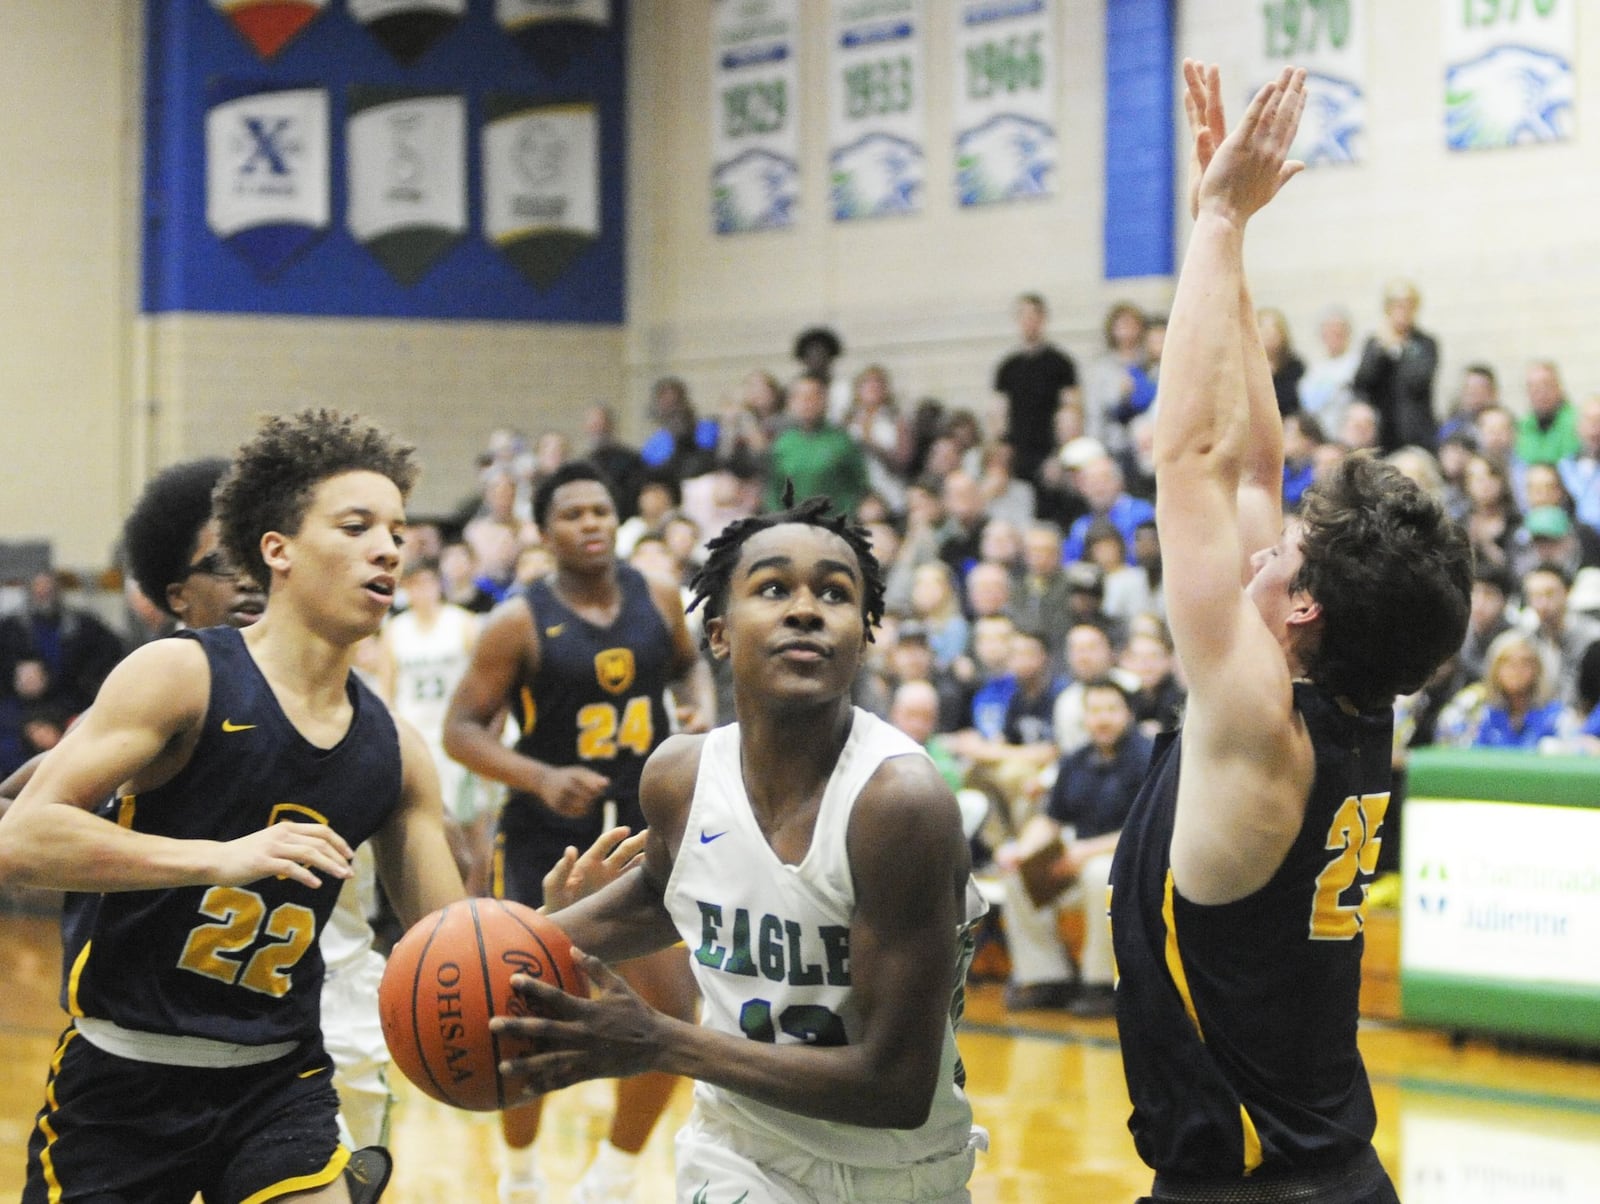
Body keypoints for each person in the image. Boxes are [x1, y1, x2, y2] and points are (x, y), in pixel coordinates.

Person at [1108, 64, 1471, 1203]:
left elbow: (1189, 461)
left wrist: (1217, 219)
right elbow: (1251, 461)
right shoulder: (1339, 691)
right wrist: (1228, 238)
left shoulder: (1256, 718)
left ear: (1301, 608)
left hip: (1254, 1182)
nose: (1264, 547)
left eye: (1287, 556)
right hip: (1322, 1168)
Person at [0, 410, 472, 1203]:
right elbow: (22, 840)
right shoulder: (181, 674)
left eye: (397, 530)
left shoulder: (397, 750)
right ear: (276, 550)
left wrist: (538, 932)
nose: (388, 548)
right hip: (122, 1080)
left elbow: (451, 954)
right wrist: (220, 858)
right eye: (355, 526)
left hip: (279, 1082)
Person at [495, 493, 989, 1203]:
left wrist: (660, 1040)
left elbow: (896, 1085)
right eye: (774, 587)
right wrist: (542, 937)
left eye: (835, 593)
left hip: (895, 1172)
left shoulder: (898, 803)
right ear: (719, 634)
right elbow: (667, 894)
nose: (806, 608)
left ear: (865, 633)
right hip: (736, 1152)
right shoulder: (679, 774)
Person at [443, 460, 709, 1204]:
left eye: (600, 510)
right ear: (544, 531)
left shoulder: (657, 595)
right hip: (544, 838)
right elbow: (461, 729)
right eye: (573, 514)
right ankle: (522, 1173)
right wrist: (537, 776)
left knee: (669, 1013)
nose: (590, 523)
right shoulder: (517, 620)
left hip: (638, 834)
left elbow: (692, 670)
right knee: (522, 1019)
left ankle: (616, 1175)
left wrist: (696, 710)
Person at [996, 677, 1153, 1016]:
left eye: (1111, 709)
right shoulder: (1074, 760)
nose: (1103, 718)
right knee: (1018, 875)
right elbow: (1051, 820)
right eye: (1095, 710)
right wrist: (1022, 850)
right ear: (1084, 717)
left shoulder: (1147, 757)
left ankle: (1101, 984)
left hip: (1134, 870)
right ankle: (1047, 978)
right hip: (1078, 863)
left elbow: (1144, 829)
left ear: (1127, 714)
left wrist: (1084, 852)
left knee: (1100, 873)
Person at [992, 293, 1080, 484]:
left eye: (1033, 316)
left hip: (1051, 452)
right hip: (1018, 453)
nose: (1028, 322)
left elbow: (1071, 411)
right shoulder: (1007, 368)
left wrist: (1060, 455)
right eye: (1023, 316)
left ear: (1043, 319)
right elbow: (999, 415)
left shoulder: (1062, 364)